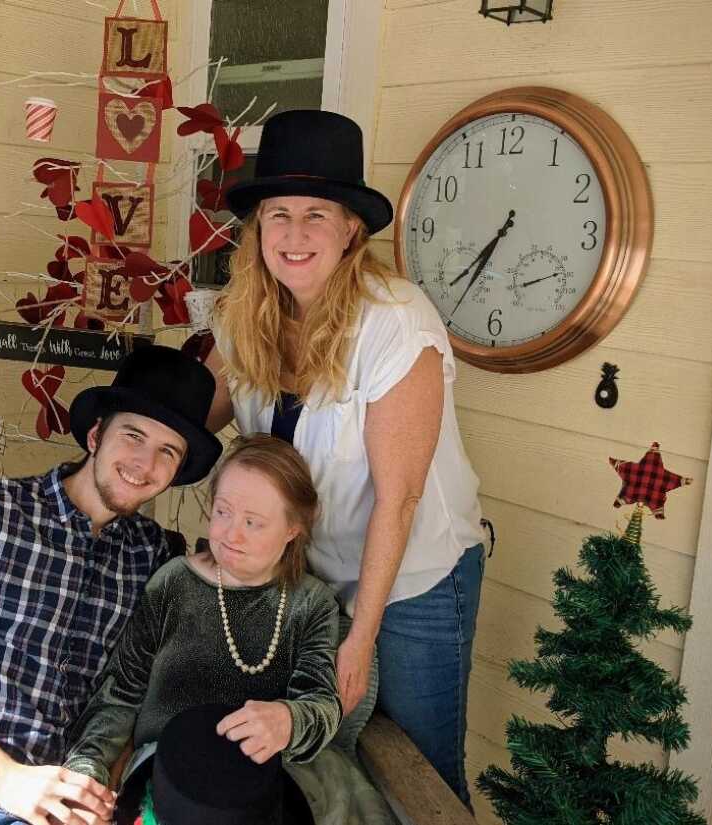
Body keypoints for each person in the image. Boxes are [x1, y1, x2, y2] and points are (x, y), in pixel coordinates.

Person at [204, 109, 486, 807]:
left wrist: (359, 639)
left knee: (420, 771)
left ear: (351, 229)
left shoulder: (395, 320)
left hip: (414, 581)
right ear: (258, 227)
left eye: (316, 215)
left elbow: (400, 499)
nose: (294, 235)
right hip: (311, 577)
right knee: (327, 762)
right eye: (278, 214)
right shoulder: (246, 314)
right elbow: (190, 418)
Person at [0, 346, 223, 825]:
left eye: (167, 452)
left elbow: (130, 700)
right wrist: (6, 777)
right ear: (96, 434)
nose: (144, 462)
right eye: (133, 435)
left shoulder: (150, 556)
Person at [65, 435, 395, 824]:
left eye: (253, 522)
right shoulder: (173, 584)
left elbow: (323, 701)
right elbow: (120, 693)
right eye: (222, 512)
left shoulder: (311, 604)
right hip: (169, 782)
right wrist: (86, 769)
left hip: (269, 792)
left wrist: (289, 720)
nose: (230, 534)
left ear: (293, 527)